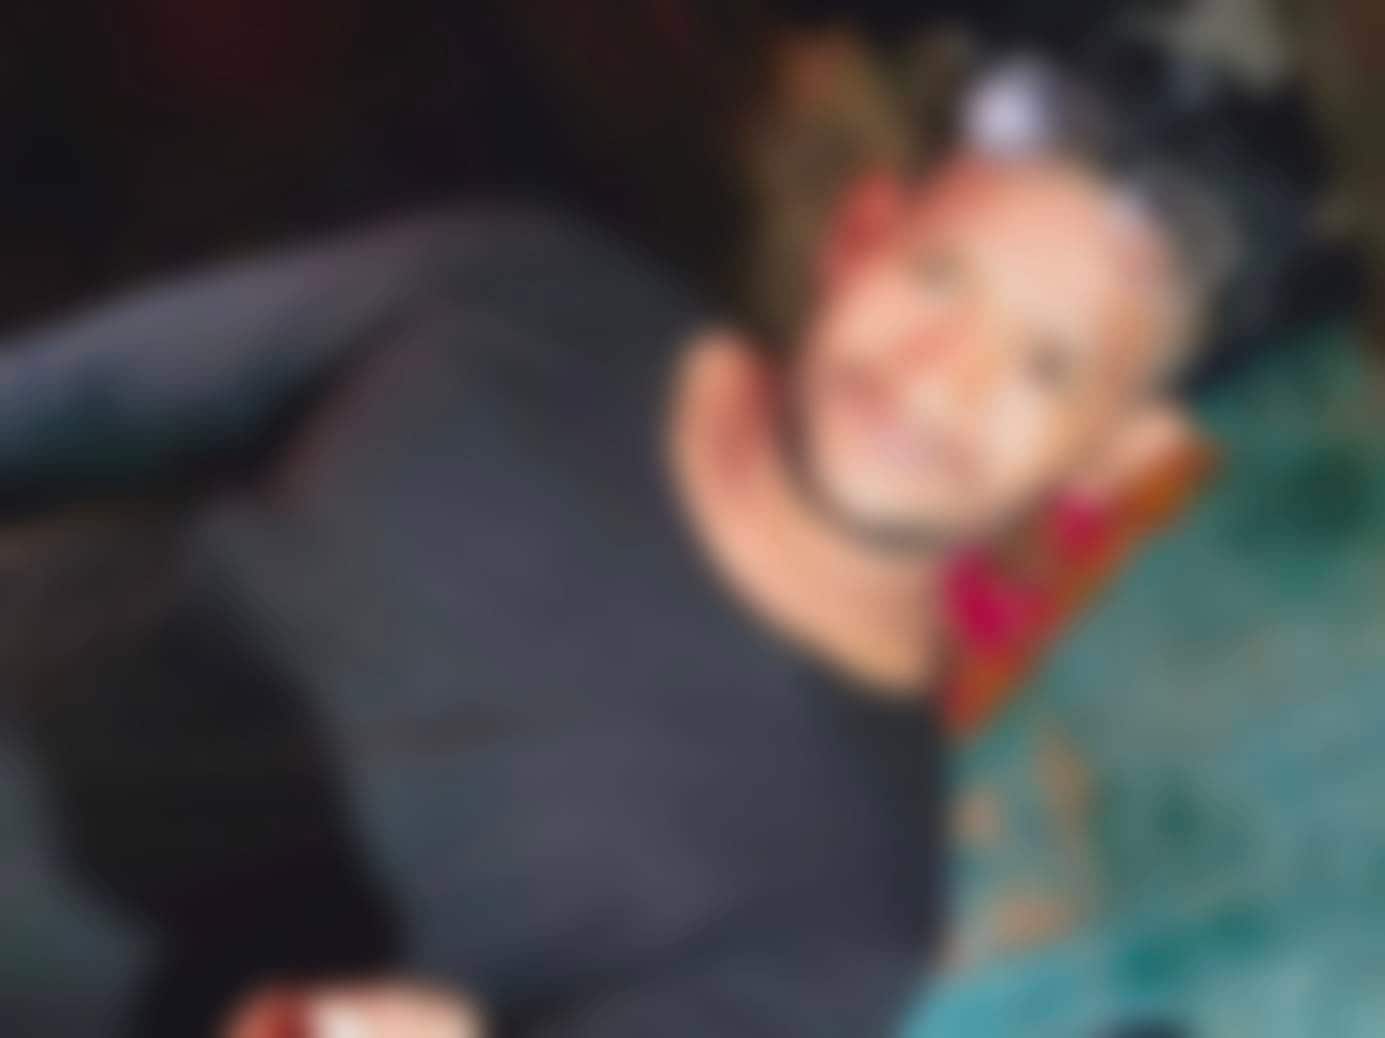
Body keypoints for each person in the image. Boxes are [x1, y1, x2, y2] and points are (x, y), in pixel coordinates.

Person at [0, 139, 1208, 1036]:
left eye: (1043, 366)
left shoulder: (849, 911)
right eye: (940, 276)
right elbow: (74, 396)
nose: (939, 376)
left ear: (1112, 456)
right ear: (861, 231)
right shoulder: (525, 286)